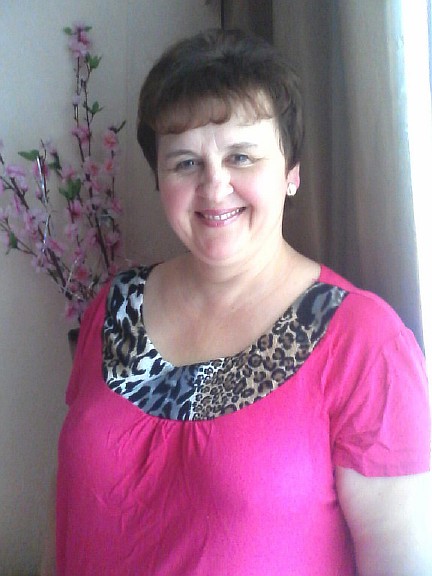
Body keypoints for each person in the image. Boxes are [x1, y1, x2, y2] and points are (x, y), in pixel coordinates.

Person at [48, 29, 431, 575]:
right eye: (185, 163)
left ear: (291, 173)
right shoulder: (112, 310)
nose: (214, 186)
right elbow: (64, 517)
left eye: (242, 156)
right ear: (159, 178)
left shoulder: (365, 342)